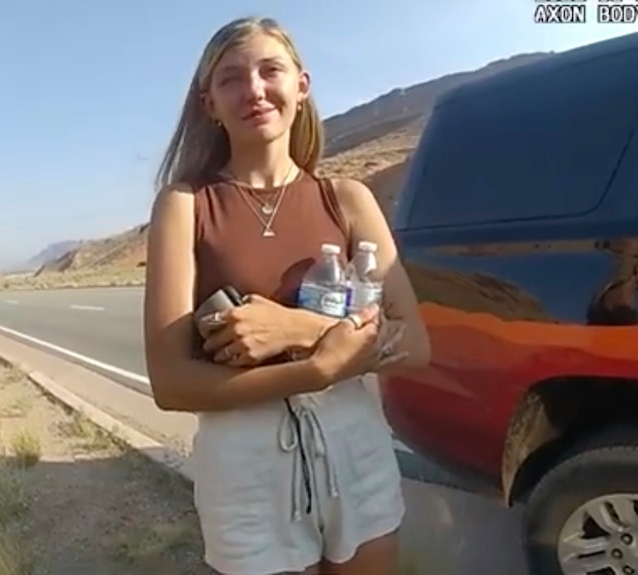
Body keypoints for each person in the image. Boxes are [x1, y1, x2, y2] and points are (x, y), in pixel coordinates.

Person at [142, 15, 431, 575]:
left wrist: (300, 331)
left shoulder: (347, 199)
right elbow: (171, 383)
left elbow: (414, 342)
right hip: (246, 467)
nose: (253, 89)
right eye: (230, 78)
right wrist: (315, 369)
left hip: (358, 450)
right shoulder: (185, 205)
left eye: (270, 70)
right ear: (209, 103)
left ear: (301, 85)